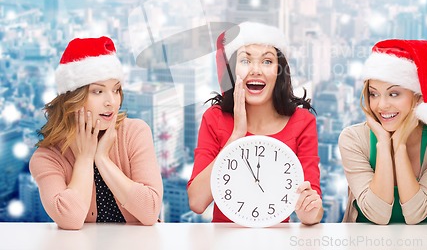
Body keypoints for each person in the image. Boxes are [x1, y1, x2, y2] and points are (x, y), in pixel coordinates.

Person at [187, 22, 323, 225]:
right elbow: (197, 202)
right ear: (232, 71)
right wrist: (236, 137)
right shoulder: (214, 118)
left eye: (267, 62)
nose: (256, 70)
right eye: (246, 60)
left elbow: (314, 209)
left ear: (279, 72)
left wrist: (308, 211)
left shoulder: (302, 122)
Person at [29, 36, 163, 230]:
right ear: (73, 98)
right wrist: (85, 158)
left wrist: (102, 159)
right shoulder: (47, 158)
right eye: (98, 92)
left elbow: (150, 211)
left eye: (116, 90)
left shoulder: (135, 132)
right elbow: (70, 220)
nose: (111, 101)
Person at [339, 39, 427, 224]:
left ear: (418, 97)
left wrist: (399, 144)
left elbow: (415, 214)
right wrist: (382, 142)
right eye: (373, 94)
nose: (381, 105)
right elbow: (377, 215)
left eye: (394, 94)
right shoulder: (353, 138)